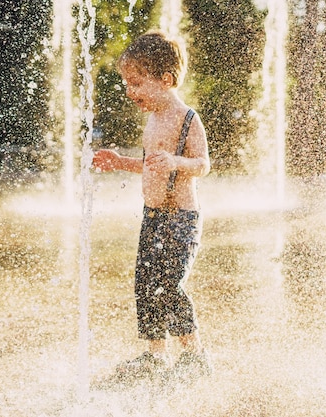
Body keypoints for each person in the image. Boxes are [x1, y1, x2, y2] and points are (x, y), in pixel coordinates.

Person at [92, 30, 212, 382]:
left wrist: (177, 162)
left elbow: (203, 165)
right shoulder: (153, 120)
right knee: (145, 285)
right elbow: (149, 164)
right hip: (154, 217)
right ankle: (155, 354)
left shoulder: (188, 118)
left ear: (166, 80)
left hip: (181, 219)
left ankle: (194, 355)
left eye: (137, 83)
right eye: (128, 83)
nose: (131, 91)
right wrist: (119, 162)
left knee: (170, 285)